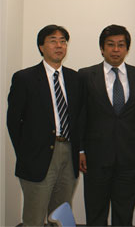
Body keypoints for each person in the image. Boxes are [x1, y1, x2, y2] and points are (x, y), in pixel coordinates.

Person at [7, 25, 82, 226]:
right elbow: (13, 121)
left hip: (68, 153)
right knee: (34, 217)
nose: (59, 45)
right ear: (41, 46)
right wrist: (26, 154)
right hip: (38, 156)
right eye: (53, 40)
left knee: (62, 215)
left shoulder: (75, 78)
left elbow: (79, 119)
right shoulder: (25, 78)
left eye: (63, 41)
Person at [79, 24, 135, 226]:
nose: (116, 49)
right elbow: (80, 116)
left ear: (127, 49)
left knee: (124, 213)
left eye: (121, 45)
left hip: (130, 157)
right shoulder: (85, 75)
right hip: (95, 157)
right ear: (102, 48)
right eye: (110, 45)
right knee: (95, 213)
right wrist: (81, 150)